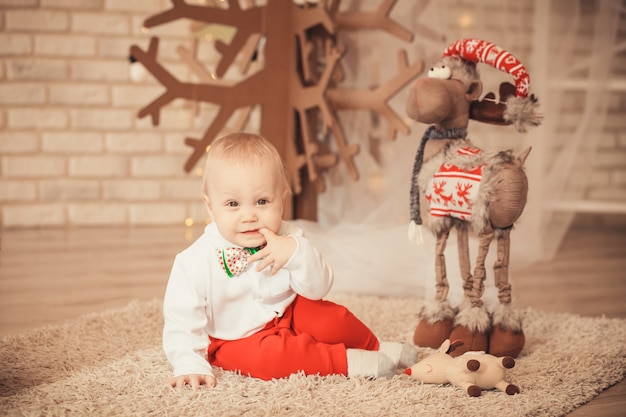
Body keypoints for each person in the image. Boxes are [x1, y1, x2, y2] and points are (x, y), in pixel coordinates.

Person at [162, 132, 416, 389]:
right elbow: (181, 321)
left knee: (331, 319)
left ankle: (375, 346)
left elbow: (318, 289)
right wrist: (189, 364)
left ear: (281, 200)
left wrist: (297, 253)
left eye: (262, 201)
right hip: (235, 338)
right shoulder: (194, 261)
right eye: (232, 204)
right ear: (210, 207)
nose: (249, 215)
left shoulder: (290, 236)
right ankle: (349, 362)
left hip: (289, 310)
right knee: (273, 359)